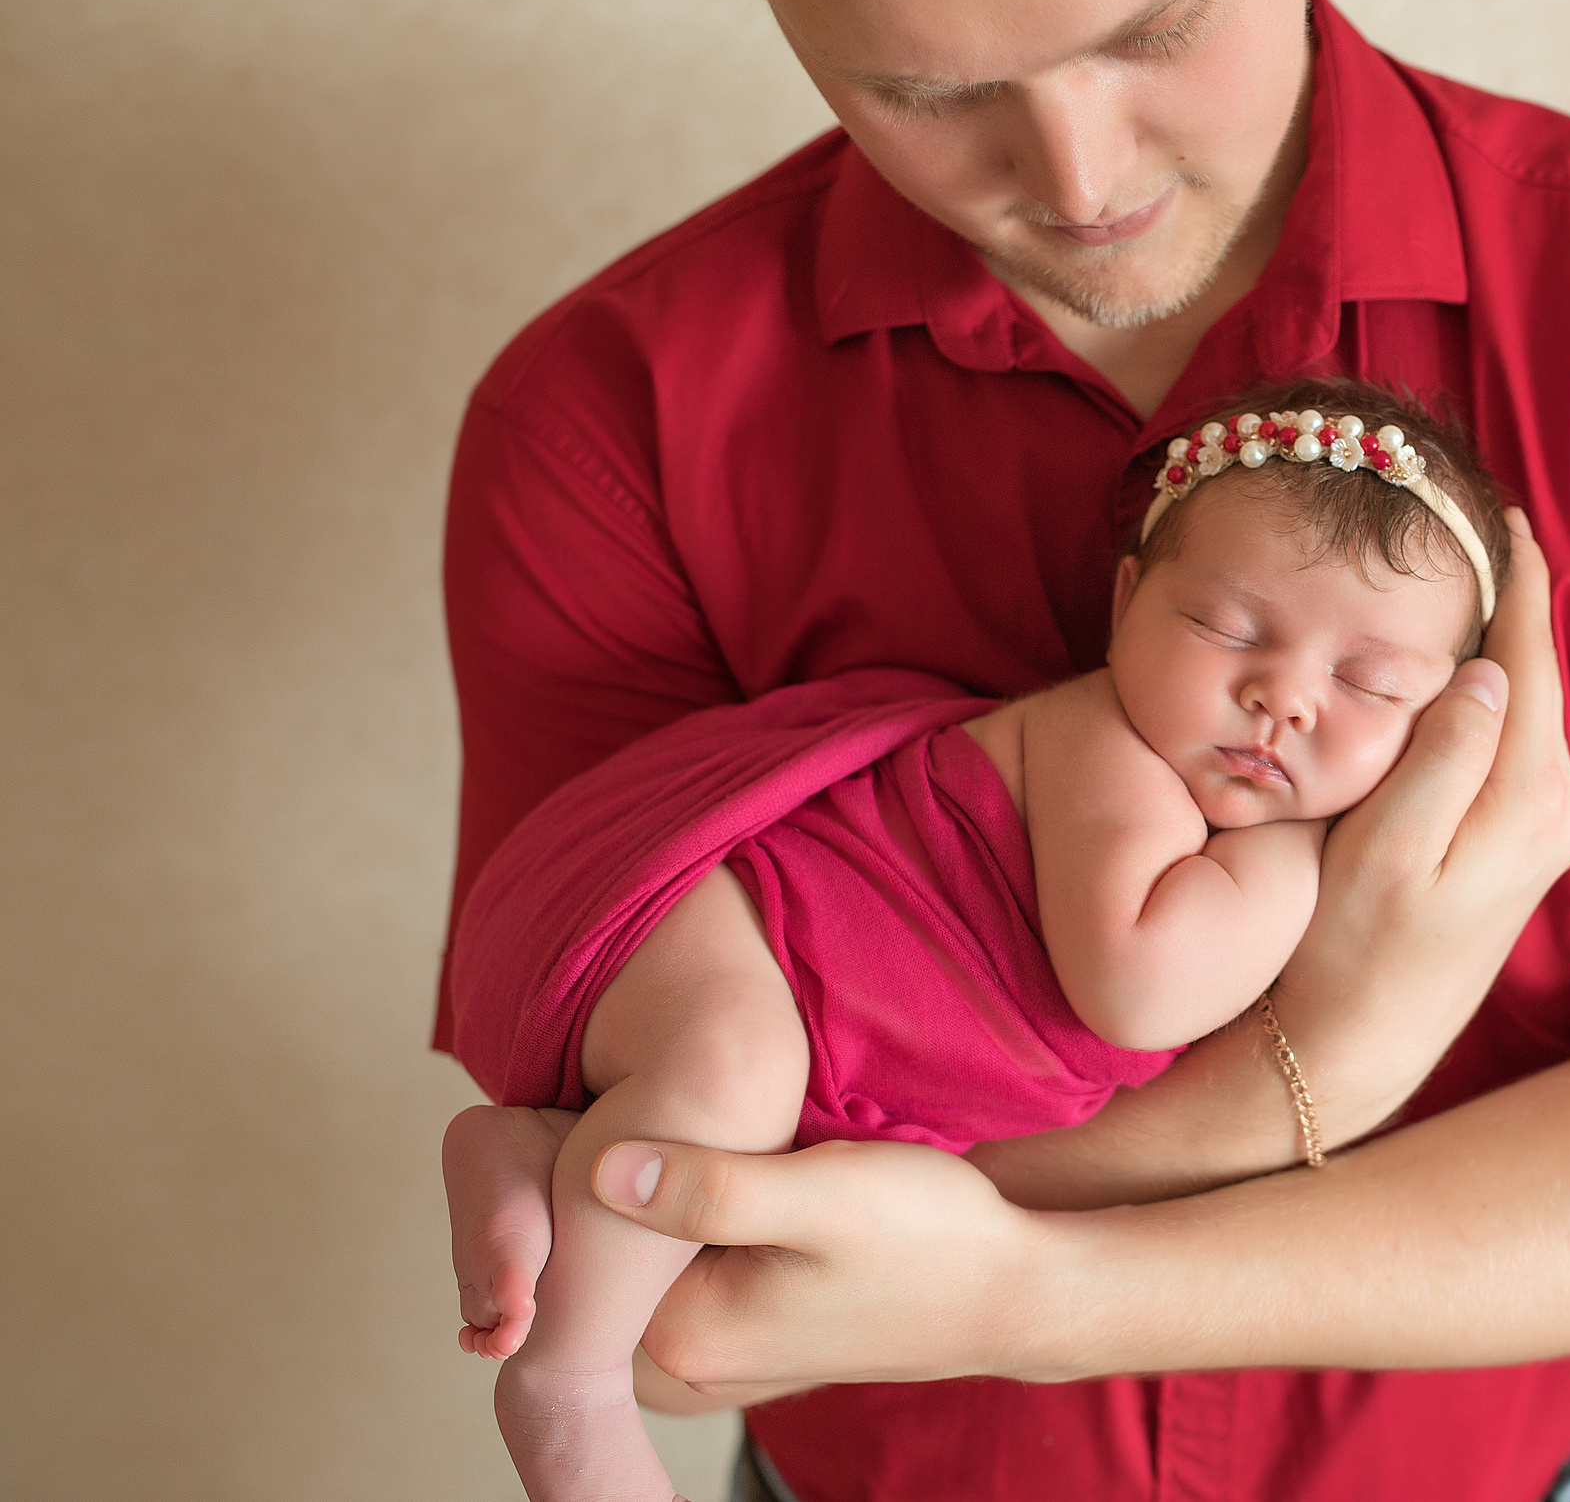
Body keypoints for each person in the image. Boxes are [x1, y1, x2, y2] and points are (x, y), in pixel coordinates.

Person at [435, 0, 1570, 1497]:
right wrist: (1314, 1073)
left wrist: (1043, 1291)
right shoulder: (604, 430)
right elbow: (667, 1314)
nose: (1080, 178)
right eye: (922, 87)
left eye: (1160, 26)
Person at [444, 385, 1512, 1502]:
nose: (1280, 696)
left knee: (724, 1117)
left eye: (1367, 683)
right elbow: (1141, 992)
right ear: (1128, 602)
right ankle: (569, 1382)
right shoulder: (1107, 751)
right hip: (747, 936)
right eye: (1227, 628)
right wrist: (1302, 851)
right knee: (731, 1072)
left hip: (806, 1011)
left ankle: (540, 1148)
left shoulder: (1195, 793)